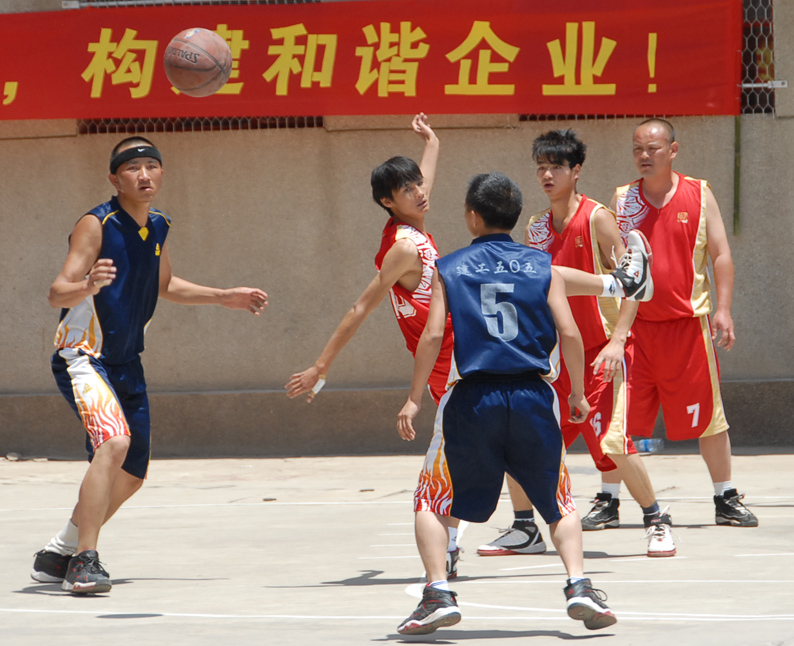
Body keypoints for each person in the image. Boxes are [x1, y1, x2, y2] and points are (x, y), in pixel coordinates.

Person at [285, 115, 652, 578]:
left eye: (420, 184)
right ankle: (619, 283)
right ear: (388, 202)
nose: (421, 192)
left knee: (462, 462)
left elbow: (422, 184)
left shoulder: (415, 228)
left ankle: (463, 549)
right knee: (460, 465)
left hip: (471, 354)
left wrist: (433, 143)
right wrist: (322, 366)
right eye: (408, 190)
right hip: (456, 364)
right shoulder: (406, 249)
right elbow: (360, 308)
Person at [30, 137, 268, 594]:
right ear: (114, 178)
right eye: (132, 167)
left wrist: (223, 296)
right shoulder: (96, 224)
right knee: (113, 442)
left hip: (126, 362)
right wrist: (87, 285)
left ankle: (58, 551)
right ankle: (85, 561)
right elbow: (57, 292)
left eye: (152, 166)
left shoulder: (158, 225)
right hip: (84, 356)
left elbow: (165, 284)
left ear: (161, 174)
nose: (144, 175)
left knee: (132, 474)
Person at [396, 172, 617, 635]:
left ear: (472, 216)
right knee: (559, 500)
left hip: (472, 396)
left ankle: (437, 593)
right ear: (515, 216)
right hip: (533, 394)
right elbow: (570, 332)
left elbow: (433, 336)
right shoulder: (543, 266)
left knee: (432, 498)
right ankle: (579, 584)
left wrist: (414, 399)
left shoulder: (450, 267)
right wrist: (577, 392)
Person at [479, 130, 675, 559]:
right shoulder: (536, 227)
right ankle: (525, 528)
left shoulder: (597, 218)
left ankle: (656, 520)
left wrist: (618, 340)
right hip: (557, 358)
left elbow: (634, 281)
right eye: (541, 167)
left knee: (612, 444)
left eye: (556, 167)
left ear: (577, 171)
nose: (547, 175)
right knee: (520, 443)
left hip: (603, 352)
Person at [611, 118, 757, 527]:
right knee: (618, 421)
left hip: (688, 326)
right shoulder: (623, 199)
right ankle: (607, 499)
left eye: (652, 148)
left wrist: (723, 309)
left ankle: (725, 497)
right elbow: (614, 262)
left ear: (673, 150)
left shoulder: (699, 192)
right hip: (636, 330)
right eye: (637, 148)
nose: (644, 155)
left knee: (710, 418)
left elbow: (721, 255)